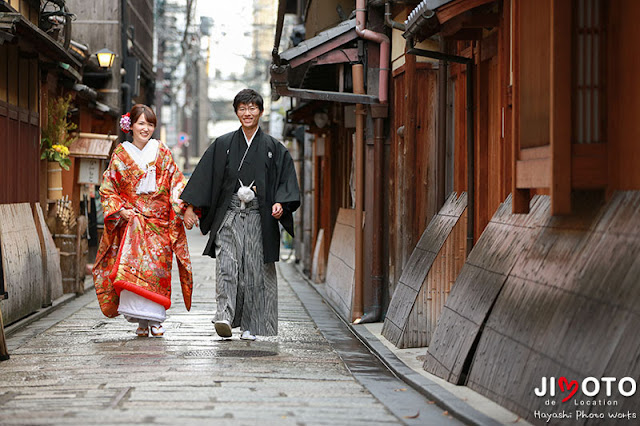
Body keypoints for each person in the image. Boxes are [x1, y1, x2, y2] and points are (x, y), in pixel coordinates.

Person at [181, 89, 300, 341]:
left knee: (255, 270)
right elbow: (205, 176)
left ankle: (251, 325)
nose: (247, 113)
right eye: (242, 108)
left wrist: (281, 203)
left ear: (260, 111)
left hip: (259, 216)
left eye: (252, 108)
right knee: (227, 265)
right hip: (230, 215)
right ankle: (224, 315)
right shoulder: (223, 144)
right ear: (236, 112)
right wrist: (191, 207)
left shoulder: (273, 148)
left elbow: (285, 180)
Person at [93, 104, 193, 337]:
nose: (145, 128)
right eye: (141, 123)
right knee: (133, 271)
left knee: (156, 272)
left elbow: (177, 183)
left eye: (150, 124)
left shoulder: (163, 152)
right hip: (133, 225)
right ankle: (140, 320)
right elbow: (108, 189)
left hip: (158, 224)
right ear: (131, 126)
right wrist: (121, 210)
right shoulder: (120, 154)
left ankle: (156, 319)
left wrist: (186, 209)